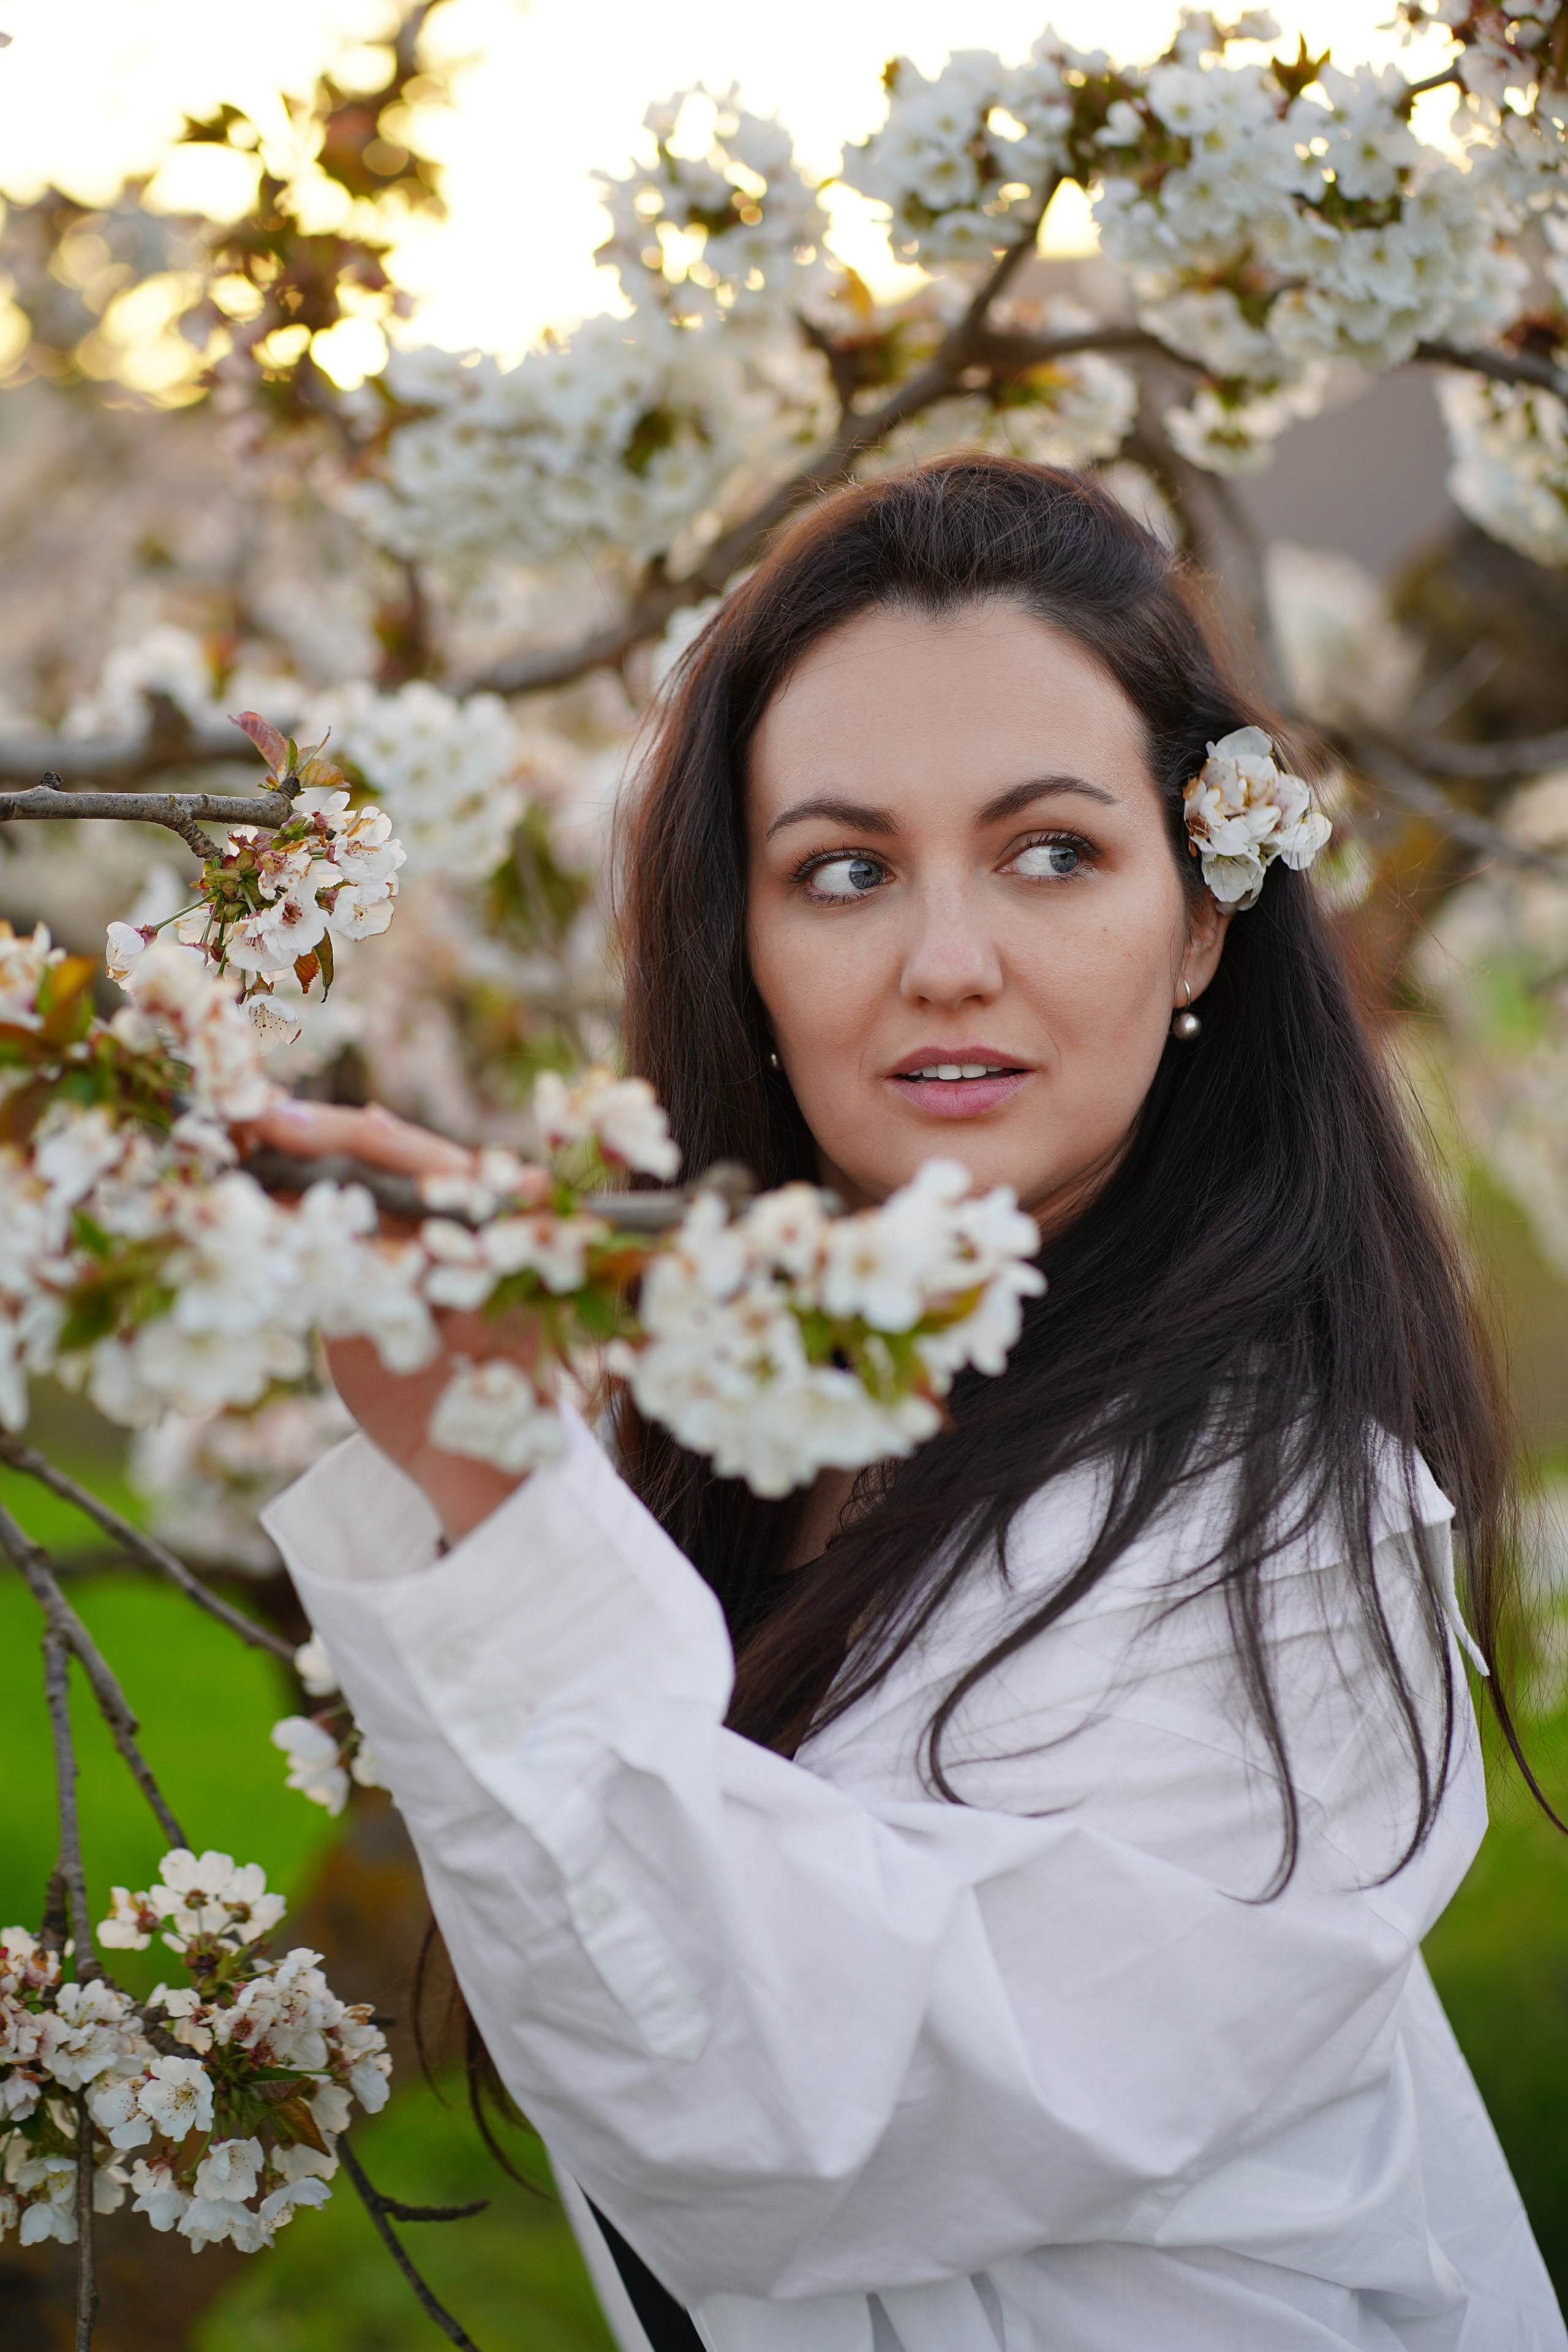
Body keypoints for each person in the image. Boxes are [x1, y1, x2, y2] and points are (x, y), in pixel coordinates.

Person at [254, 457, 1566, 2351]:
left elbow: (810, 2126)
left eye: (1052, 852)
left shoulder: (1296, 1547)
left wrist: (498, 1508)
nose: (949, 963)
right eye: (845, 871)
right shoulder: (730, 1430)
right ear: (750, 951)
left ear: (1201, 919)